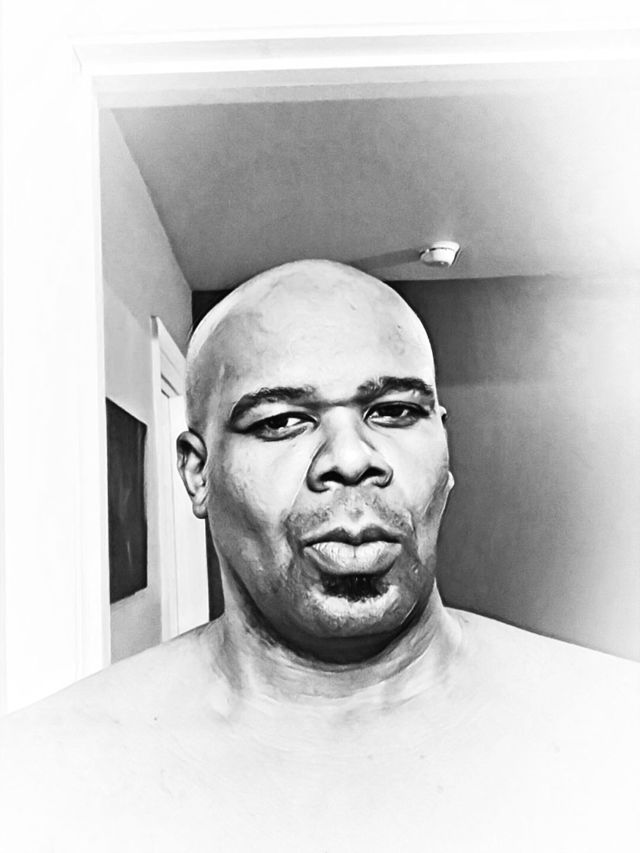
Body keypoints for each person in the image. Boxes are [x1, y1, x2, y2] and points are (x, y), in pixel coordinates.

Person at [0, 260, 638, 852]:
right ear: (198, 473)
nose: (351, 458)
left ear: (444, 445)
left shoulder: (614, 732)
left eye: (394, 411)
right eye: (280, 421)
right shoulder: (43, 779)